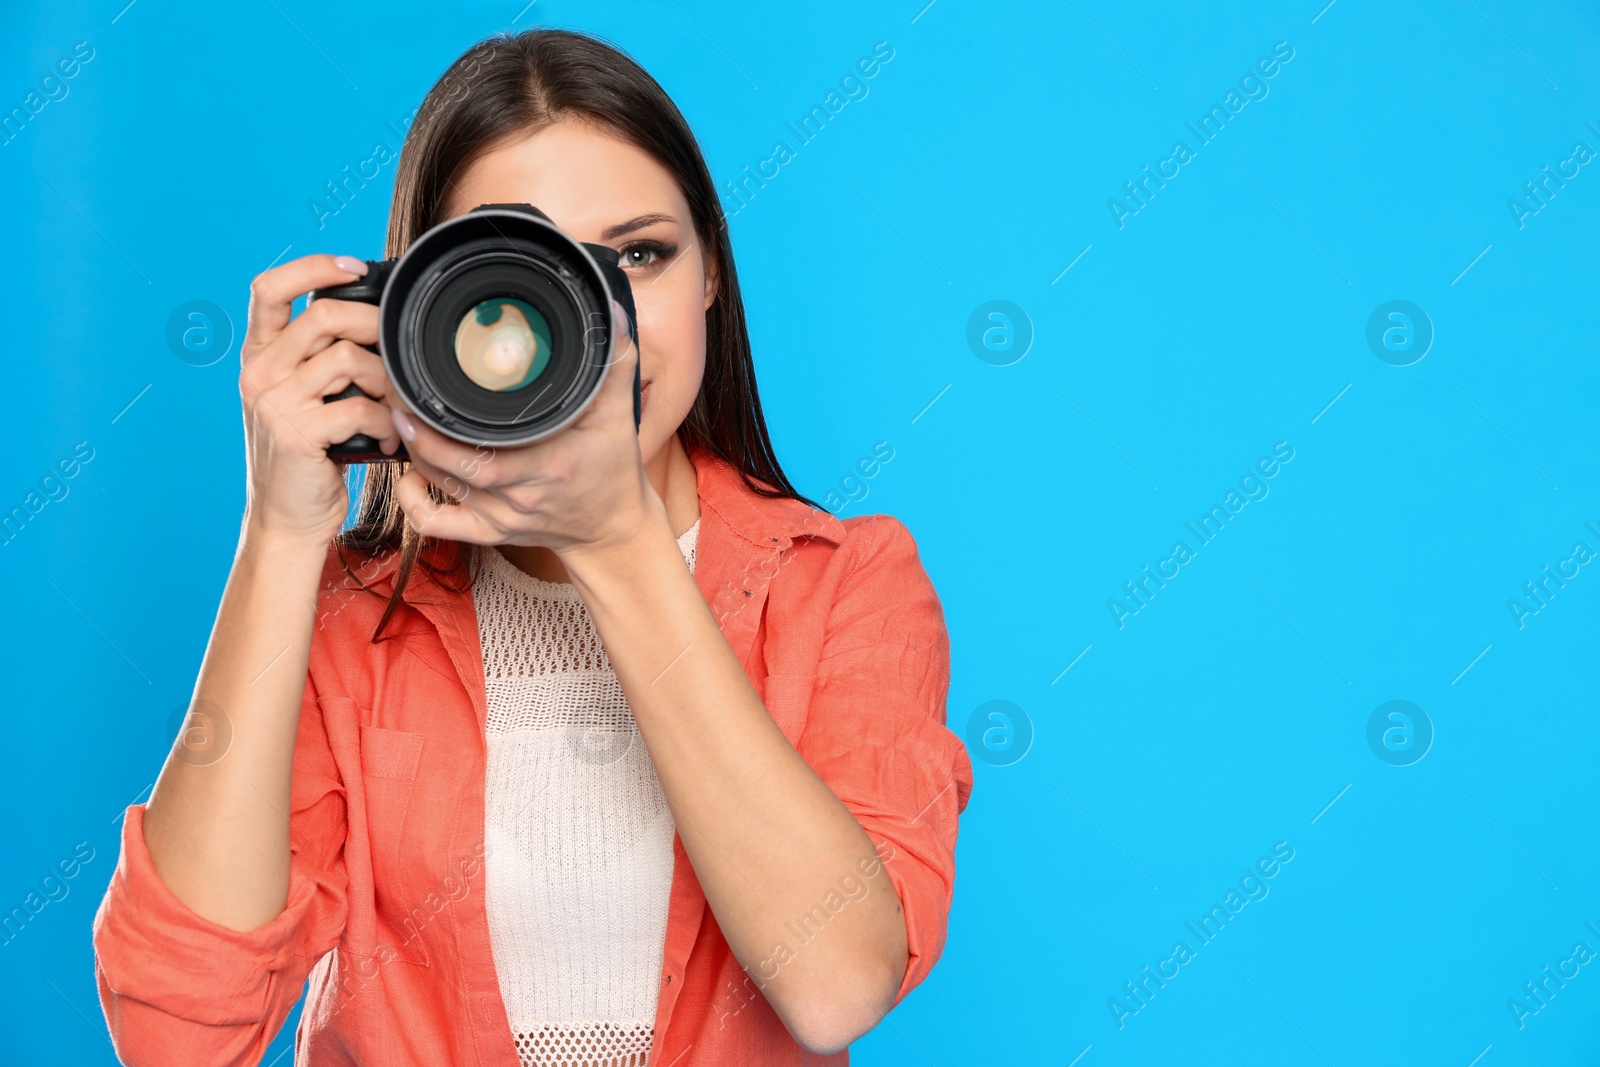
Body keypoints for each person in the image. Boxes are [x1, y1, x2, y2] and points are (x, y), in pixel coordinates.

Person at [92, 27, 972, 1067]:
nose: (592, 316)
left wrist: (616, 541)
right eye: (528, 269)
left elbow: (836, 983)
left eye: (637, 255)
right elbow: (174, 1033)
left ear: (710, 280)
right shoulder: (355, 618)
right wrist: (282, 533)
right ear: (423, 312)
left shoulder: (841, 584)